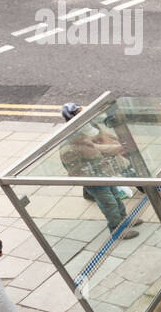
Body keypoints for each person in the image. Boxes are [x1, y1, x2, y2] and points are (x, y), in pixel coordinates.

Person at [59, 103, 141, 240]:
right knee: (109, 204)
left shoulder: (84, 136)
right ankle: (117, 230)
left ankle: (124, 220)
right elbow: (77, 170)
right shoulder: (69, 149)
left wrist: (116, 147)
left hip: (103, 174)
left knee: (116, 198)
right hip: (94, 181)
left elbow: (98, 146)